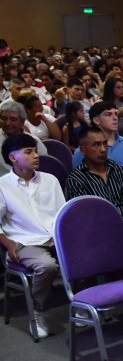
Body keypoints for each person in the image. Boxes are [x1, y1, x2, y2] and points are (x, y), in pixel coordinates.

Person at [0, 133, 64, 338]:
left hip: (54, 237)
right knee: (46, 266)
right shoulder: (3, 186)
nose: (36, 155)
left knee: (85, 254)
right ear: (13, 158)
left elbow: (61, 213)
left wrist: (60, 237)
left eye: (35, 150)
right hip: (24, 241)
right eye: (28, 152)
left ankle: (81, 304)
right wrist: (8, 245)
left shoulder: (50, 180)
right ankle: (38, 311)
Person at [67, 126, 123, 220]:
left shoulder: (119, 170)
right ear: (83, 150)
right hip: (98, 227)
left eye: (105, 143)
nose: (103, 149)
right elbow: (84, 216)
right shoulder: (76, 180)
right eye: (96, 145)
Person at [71, 101, 123, 170]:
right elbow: (79, 180)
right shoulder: (83, 151)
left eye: (115, 113)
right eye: (108, 114)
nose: (115, 118)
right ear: (96, 120)